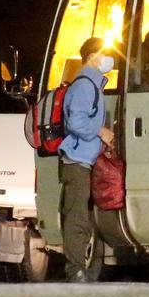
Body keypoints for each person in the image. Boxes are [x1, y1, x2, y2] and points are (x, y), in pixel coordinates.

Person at [58, 37, 114, 283]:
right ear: (92, 56)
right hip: (77, 161)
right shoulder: (84, 86)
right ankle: (75, 270)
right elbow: (76, 122)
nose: (109, 58)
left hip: (86, 161)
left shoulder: (92, 85)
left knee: (84, 216)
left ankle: (80, 267)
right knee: (77, 217)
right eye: (105, 53)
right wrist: (101, 131)